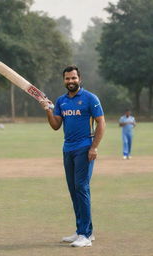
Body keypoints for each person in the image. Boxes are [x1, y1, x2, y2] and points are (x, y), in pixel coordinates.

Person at [40, 65, 105, 247]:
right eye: (67, 79)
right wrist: (47, 109)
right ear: (64, 80)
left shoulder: (90, 98)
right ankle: (82, 231)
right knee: (73, 189)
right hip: (67, 149)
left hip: (84, 149)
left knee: (81, 187)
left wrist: (94, 147)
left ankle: (85, 235)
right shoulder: (61, 101)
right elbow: (55, 126)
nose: (71, 81)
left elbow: (101, 123)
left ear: (79, 79)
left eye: (73, 78)